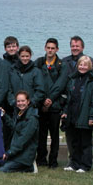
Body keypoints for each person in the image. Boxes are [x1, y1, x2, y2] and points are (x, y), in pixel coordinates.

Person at [62, 56, 93, 173]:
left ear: (90, 67)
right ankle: (74, 163)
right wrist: (65, 112)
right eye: (80, 64)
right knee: (74, 142)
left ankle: (85, 165)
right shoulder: (72, 79)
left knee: (85, 142)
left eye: (85, 65)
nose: (82, 67)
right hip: (72, 115)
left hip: (85, 115)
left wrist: (92, 117)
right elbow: (68, 98)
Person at [34, 38, 69, 169]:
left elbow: (60, 84)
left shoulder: (62, 65)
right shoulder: (38, 63)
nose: (50, 50)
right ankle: (41, 158)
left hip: (54, 106)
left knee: (54, 135)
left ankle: (53, 160)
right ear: (45, 48)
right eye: (48, 48)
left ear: (57, 49)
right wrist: (43, 100)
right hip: (41, 105)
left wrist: (50, 99)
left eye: (53, 48)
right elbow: (37, 82)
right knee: (41, 134)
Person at [0, 91, 39, 173]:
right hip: (17, 154)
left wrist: (9, 153)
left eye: (23, 101)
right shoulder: (20, 113)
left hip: (25, 156)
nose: (20, 103)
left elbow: (22, 139)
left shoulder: (32, 119)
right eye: (18, 101)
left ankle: (30, 167)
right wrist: (4, 115)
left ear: (28, 101)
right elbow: (14, 126)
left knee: (2, 170)